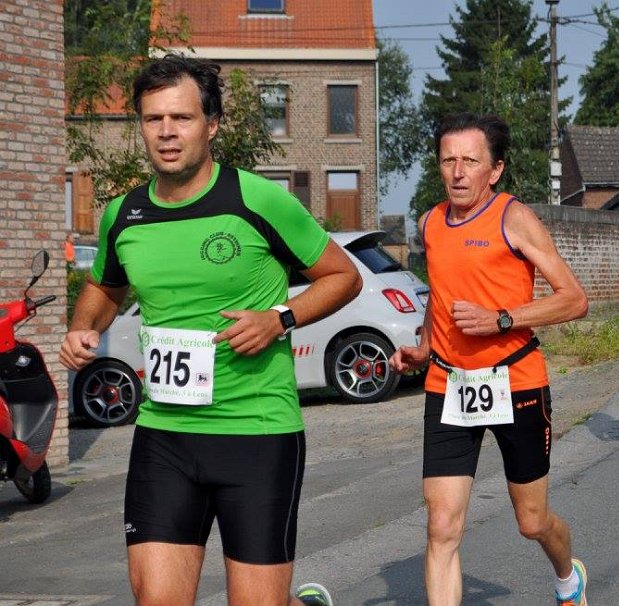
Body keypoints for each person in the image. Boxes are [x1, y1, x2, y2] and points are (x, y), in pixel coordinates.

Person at [58, 55, 358, 606]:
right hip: (165, 435)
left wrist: (280, 318)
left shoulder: (258, 200)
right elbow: (104, 285)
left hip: (256, 433)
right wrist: (83, 328)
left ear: (211, 125)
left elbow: (343, 277)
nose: (166, 132)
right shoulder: (123, 214)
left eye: (182, 117)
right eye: (153, 119)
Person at [388, 113, 589, 606]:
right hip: (449, 386)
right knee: (441, 525)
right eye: (448, 161)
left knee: (531, 521)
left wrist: (501, 319)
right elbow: (441, 293)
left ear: (495, 169)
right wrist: (425, 346)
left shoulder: (513, 218)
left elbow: (574, 299)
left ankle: (568, 577)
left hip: (515, 381)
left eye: (470, 161)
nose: (458, 172)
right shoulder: (430, 223)